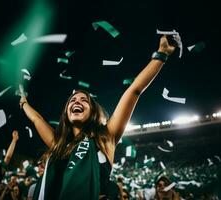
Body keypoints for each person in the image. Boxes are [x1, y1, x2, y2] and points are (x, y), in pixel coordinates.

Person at [19, 35, 176, 200]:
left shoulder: (105, 137)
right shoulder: (58, 144)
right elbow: (37, 119)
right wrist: (23, 102)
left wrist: (161, 55)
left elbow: (134, 91)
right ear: (66, 113)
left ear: (93, 112)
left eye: (84, 100)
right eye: (72, 100)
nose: (76, 101)